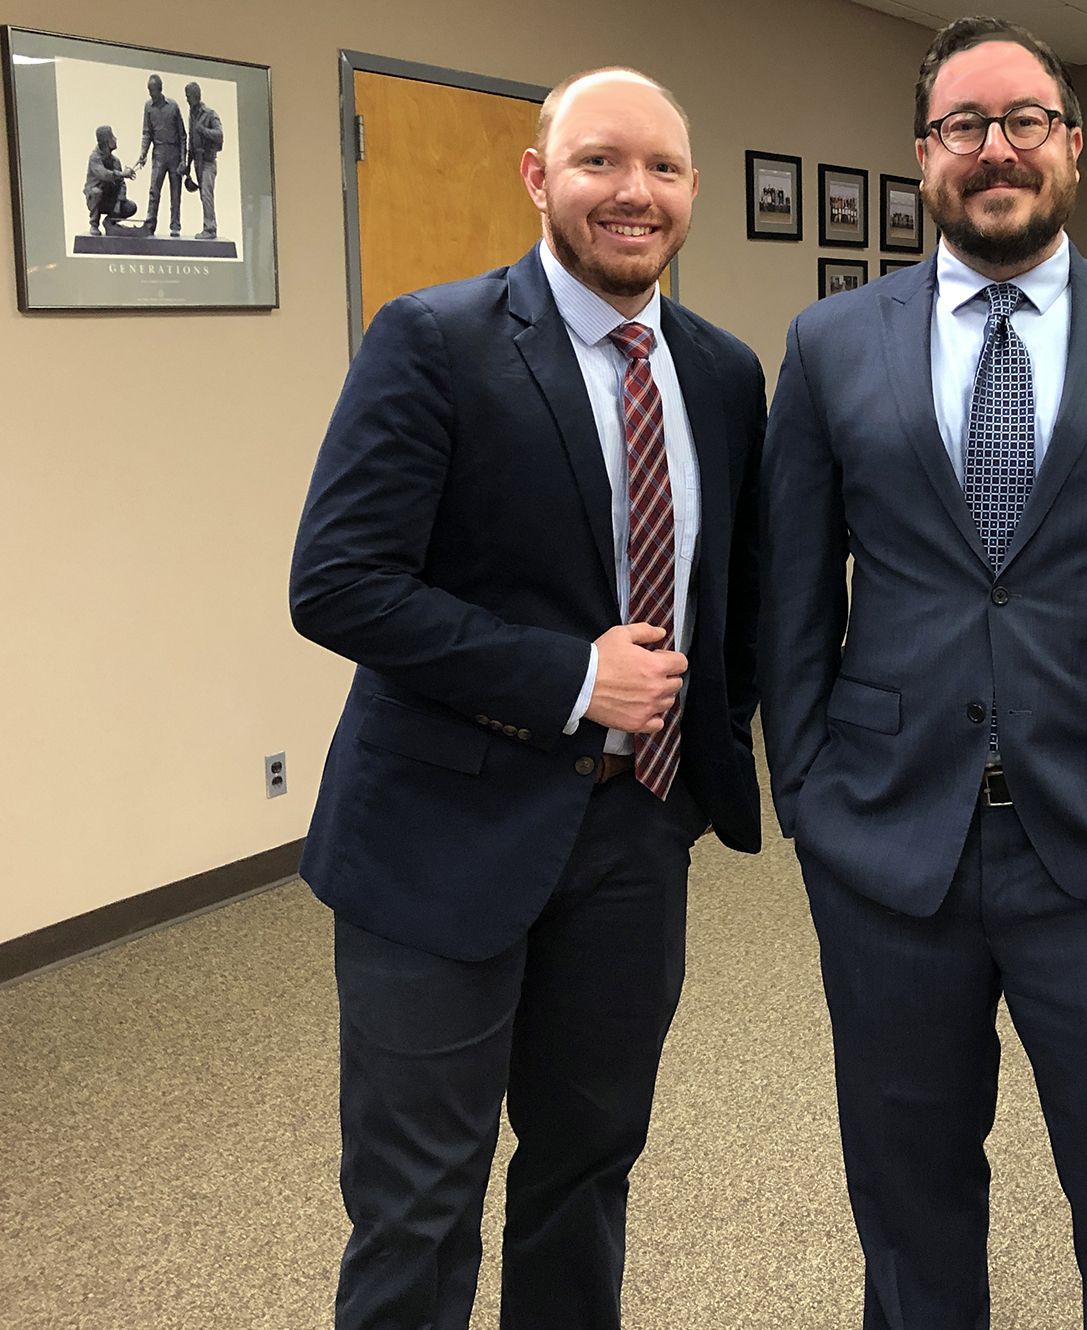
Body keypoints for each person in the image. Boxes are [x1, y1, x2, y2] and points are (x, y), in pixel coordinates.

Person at [760, 17, 1087, 1329]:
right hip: (886, 842)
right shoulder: (829, 346)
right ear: (925, 156)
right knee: (906, 1188)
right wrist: (804, 787)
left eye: (1024, 120)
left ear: (1075, 146)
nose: (995, 150)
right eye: (962, 127)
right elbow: (791, 592)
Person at [290, 66, 764, 1330]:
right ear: (538, 175)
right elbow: (337, 584)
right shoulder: (432, 338)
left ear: (690, 193)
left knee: (585, 1168)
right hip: (437, 840)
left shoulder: (721, 373)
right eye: (601, 161)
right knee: (417, 1202)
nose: (633, 192)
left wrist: (708, 754)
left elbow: (739, 599)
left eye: (661, 169)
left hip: (629, 841)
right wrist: (568, 676)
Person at [133, 74, 184, 238]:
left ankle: (175, 225)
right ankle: (150, 223)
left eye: (152, 90)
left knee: (175, 192)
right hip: (159, 153)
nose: (150, 93)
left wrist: (183, 159)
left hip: (174, 153)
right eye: (149, 90)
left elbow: (183, 135)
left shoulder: (173, 106)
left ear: (160, 89)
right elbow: (146, 133)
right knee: (154, 190)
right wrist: (143, 153)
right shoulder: (148, 107)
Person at [184, 82, 224, 240]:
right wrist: (187, 165)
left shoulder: (210, 114)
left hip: (208, 161)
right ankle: (208, 227)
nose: (187, 100)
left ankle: (210, 229)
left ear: (196, 96)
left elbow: (220, 135)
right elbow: (191, 141)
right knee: (203, 195)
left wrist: (203, 130)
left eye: (188, 96)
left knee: (207, 194)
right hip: (198, 161)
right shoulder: (192, 114)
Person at [83, 126, 137, 234]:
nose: (115, 139)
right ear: (106, 141)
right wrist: (122, 174)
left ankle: (110, 221)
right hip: (97, 199)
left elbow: (122, 184)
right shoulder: (95, 158)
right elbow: (104, 174)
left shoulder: (115, 161)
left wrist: (119, 202)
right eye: (112, 137)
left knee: (131, 207)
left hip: (110, 199)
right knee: (96, 192)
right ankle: (94, 224)